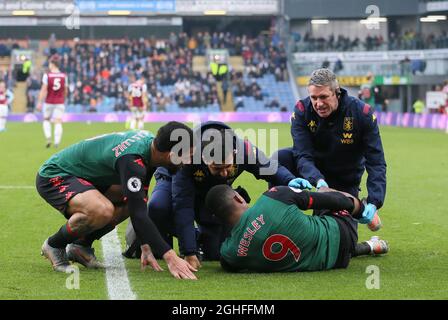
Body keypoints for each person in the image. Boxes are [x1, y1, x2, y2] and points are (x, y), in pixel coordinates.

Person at [124, 121, 312, 268]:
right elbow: (183, 205)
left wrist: (289, 180)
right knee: (159, 206)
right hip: (172, 180)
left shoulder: (244, 149)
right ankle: (144, 233)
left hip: (213, 192)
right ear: (203, 158)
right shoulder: (188, 158)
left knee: (214, 253)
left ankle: (198, 237)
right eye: (217, 168)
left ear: (235, 154)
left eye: (227, 167)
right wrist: (188, 252)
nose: (224, 173)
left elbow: (271, 169)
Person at [36, 121, 198, 280]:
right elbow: (140, 215)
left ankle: (81, 246)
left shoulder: (150, 150)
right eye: (187, 156)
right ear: (172, 155)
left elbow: (138, 205)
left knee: (130, 202)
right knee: (102, 210)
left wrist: (145, 246)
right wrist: (171, 256)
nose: (189, 162)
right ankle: (54, 244)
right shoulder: (133, 161)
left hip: (87, 177)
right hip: (55, 174)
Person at [276, 68, 387, 231]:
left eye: (323, 97)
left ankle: (364, 221)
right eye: (314, 97)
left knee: (337, 236)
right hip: (312, 173)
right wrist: (318, 181)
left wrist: (374, 201)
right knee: (280, 159)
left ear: (337, 93)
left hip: (344, 178)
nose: (318, 104)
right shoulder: (302, 111)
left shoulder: (361, 113)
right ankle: (280, 222)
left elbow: (376, 161)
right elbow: (302, 154)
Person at [205, 184, 389, 273]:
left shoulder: (229, 255)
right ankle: (366, 210)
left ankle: (370, 247)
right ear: (238, 198)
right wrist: (358, 208)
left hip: (334, 262)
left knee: (306, 243)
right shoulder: (273, 197)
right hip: (342, 233)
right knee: (323, 192)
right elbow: (333, 200)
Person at [36, 55, 67, 148]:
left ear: (53, 64)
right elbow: (66, 90)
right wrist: (63, 99)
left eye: (50, 63)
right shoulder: (64, 76)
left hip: (49, 101)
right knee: (58, 122)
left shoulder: (47, 75)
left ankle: (48, 138)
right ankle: (57, 142)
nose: (49, 65)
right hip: (60, 102)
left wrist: (39, 102)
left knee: (46, 119)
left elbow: (43, 89)